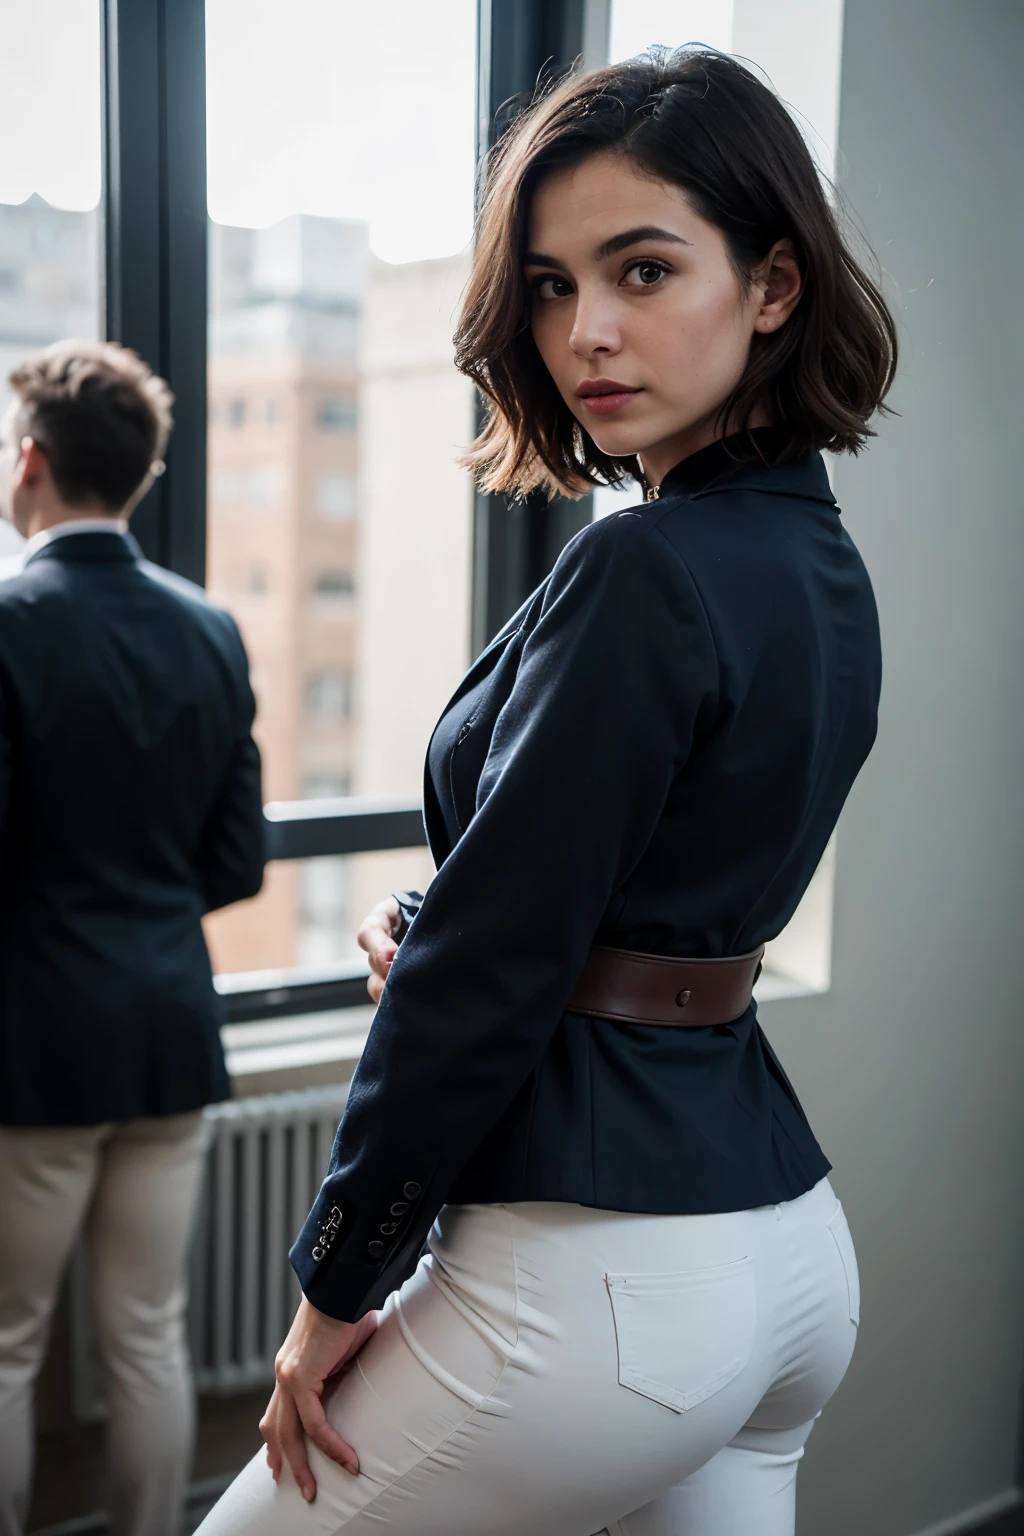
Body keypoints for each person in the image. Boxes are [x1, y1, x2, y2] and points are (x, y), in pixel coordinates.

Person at [199, 45, 894, 1536]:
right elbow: (642, 877)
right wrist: (449, 909)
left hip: (602, 1274)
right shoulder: (819, 566)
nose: (589, 331)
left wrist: (335, 1285)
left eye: (644, 271)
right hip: (780, 1252)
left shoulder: (642, 564)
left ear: (774, 285)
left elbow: (495, 963)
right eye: (553, 284)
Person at [0, 340, 266, 1536]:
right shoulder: (209, 628)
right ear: (142, 475)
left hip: (40, 1039)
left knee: (6, 1347)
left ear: (32, 463)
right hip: (169, 1024)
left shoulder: (9, 622)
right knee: (148, 1333)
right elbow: (237, 859)